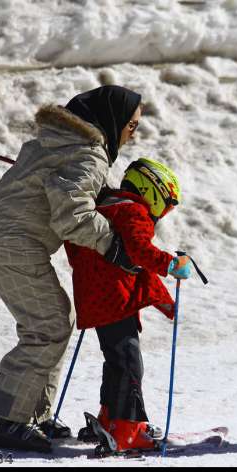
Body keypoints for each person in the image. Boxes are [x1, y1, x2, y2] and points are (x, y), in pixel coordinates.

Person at [0, 85, 144, 453]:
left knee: (51, 322)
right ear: (112, 120)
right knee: (47, 326)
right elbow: (72, 216)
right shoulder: (88, 154)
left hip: (2, 234)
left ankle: (31, 413)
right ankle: (3, 419)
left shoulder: (59, 141)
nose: (133, 133)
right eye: (132, 125)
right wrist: (115, 244)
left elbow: (63, 191)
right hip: (13, 241)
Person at [64, 157, 192, 453]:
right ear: (152, 191)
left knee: (117, 360)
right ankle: (128, 429)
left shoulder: (106, 206)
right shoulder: (133, 211)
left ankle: (110, 417)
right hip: (114, 298)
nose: (160, 214)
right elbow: (138, 250)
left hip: (95, 296)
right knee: (130, 363)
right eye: (164, 206)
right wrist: (171, 264)